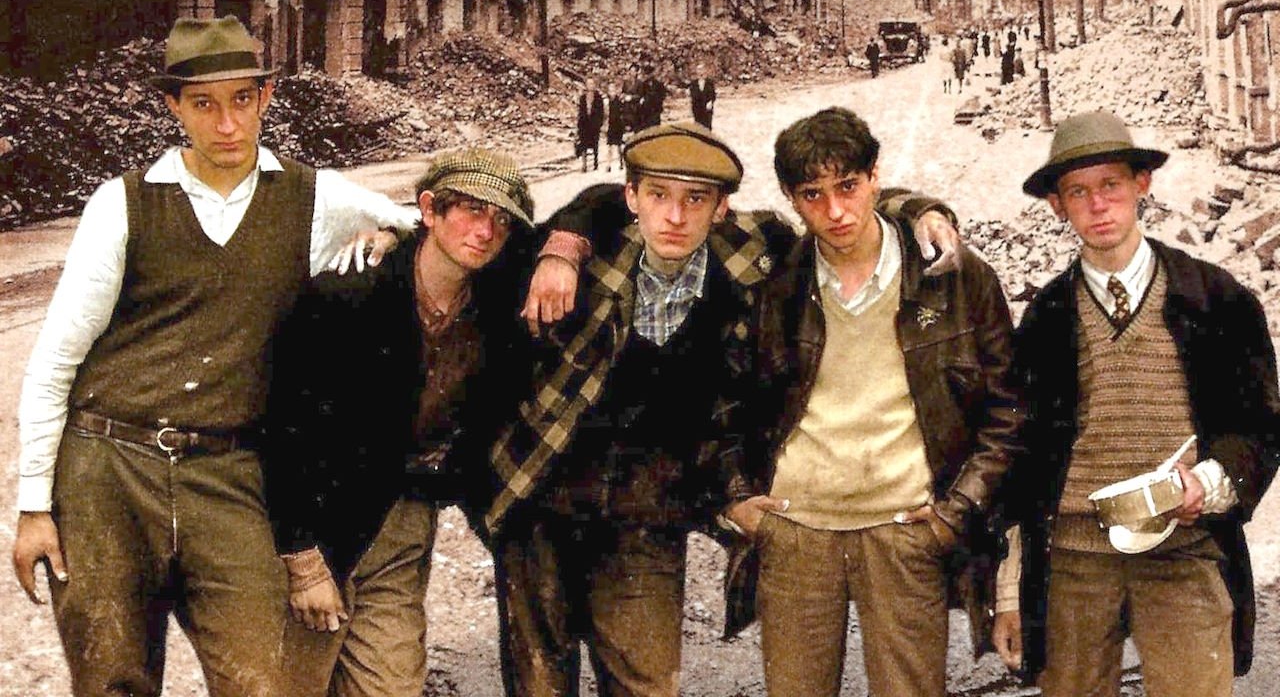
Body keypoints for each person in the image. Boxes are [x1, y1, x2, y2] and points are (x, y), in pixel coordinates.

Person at [10, 15, 420, 697]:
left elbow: (416, 221)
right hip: (110, 471)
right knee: (112, 680)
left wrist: (389, 238)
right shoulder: (123, 204)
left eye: (241, 100)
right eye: (204, 103)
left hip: (229, 474)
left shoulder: (313, 196)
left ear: (265, 98)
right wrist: (33, 507)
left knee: (262, 679)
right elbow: (55, 361)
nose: (227, 124)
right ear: (174, 107)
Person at [481, 121, 965, 697]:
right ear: (631, 198)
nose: (675, 216)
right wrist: (561, 247)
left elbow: (837, 211)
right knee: (538, 678)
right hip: (541, 496)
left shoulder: (754, 253)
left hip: (648, 512)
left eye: (696, 199)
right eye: (658, 195)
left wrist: (921, 211)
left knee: (646, 680)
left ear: (721, 208)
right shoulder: (590, 253)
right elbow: (490, 252)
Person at [721, 106, 1022, 697]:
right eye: (812, 195)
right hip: (796, 529)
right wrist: (737, 500)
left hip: (905, 528)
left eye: (848, 186)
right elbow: (724, 401)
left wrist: (953, 515)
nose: (835, 211)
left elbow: (1007, 412)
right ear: (790, 198)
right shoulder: (775, 286)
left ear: (875, 177)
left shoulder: (954, 278)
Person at [992, 111, 1280, 696]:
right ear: (1057, 206)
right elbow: (1021, 459)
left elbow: (1259, 425)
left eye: (1111, 185)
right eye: (1078, 192)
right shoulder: (1047, 317)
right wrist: (1009, 591)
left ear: (1141, 185)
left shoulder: (1215, 298)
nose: (1098, 205)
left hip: (1185, 549)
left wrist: (1209, 482)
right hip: (1074, 559)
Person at [264, 149, 537, 697]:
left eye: (501, 220)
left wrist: (564, 253)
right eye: (471, 210)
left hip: (402, 523)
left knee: (391, 684)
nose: (485, 231)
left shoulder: (496, 302)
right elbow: (282, 429)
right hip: (317, 524)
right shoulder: (348, 293)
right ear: (430, 209)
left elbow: (588, 219)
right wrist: (301, 559)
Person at [576, 77, 605, 172]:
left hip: (594, 124)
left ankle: (595, 162)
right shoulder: (583, 98)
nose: (590, 86)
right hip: (584, 124)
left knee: (594, 144)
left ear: (594, 85)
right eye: (588, 84)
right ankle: (584, 164)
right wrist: (579, 124)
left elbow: (601, 112)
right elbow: (580, 111)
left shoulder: (598, 97)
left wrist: (599, 123)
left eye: (592, 84)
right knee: (583, 144)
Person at [604, 81, 626, 172]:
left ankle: (621, 162)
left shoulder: (619, 101)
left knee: (619, 146)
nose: (612, 92)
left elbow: (622, 112)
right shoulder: (606, 101)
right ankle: (608, 164)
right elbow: (605, 114)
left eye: (613, 90)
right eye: (610, 90)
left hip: (618, 125)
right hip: (610, 125)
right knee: (609, 146)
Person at [688, 63, 716, 129]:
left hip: (707, 108)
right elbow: (692, 95)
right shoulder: (693, 83)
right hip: (697, 108)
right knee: (698, 127)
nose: (700, 71)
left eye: (702, 69)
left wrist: (710, 102)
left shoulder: (710, 82)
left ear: (705, 70)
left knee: (707, 126)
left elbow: (713, 94)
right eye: (699, 69)